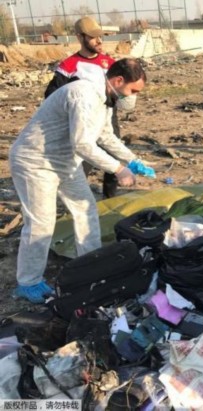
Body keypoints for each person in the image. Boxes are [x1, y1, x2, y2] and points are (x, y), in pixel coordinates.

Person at [10, 58, 151, 304]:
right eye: (133, 90)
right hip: (36, 161)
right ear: (119, 80)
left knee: (86, 209)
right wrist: (118, 169)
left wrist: (133, 160)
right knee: (41, 223)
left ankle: (91, 264)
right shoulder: (83, 94)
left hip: (64, 161)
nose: (133, 97)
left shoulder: (106, 98)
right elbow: (83, 144)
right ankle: (28, 281)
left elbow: (105, 136)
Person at [44, 16, 132, 198]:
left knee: (113, 159)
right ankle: (75, 200)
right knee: (82, 161)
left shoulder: (109, 63)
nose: (99, 41)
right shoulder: (69, 66)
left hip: (108, 119)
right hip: (82, 123)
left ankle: (110, 199)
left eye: (100, 36)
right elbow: (52, 96)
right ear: (79, 37)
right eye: (93, 37)